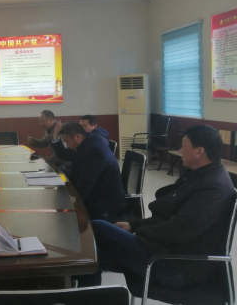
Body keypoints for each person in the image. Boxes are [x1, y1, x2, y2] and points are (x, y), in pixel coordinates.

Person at [87, 124, 235, 288]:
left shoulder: (212, 187)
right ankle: (86, 291)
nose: (180, 150)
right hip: (166, 252)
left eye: (183, 145)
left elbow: (178, 230)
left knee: (97, 227)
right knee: (91, 256)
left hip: (176, 267)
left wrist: (139, 232)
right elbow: (167, 217)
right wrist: (133, 225)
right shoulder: (201, 175)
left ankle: (83, 290)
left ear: (199, 151)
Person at [52, 121, 124, 221]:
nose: (67, 146)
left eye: (66, 141)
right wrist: (55, 137)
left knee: (64, 218)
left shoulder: (94, 150)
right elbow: (65, 155)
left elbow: (85, 184)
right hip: (95, 194)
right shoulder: (86, 142)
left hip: (104, 203)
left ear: (77, 136)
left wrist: (69, 202)